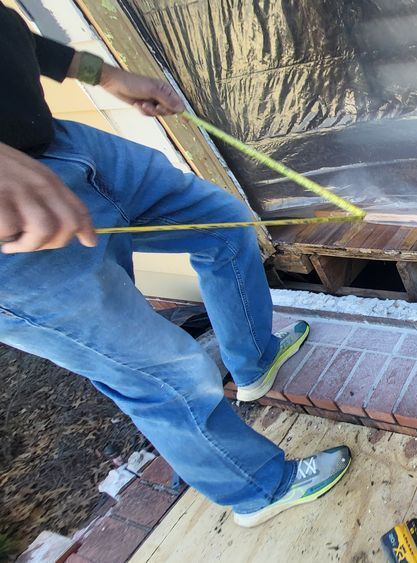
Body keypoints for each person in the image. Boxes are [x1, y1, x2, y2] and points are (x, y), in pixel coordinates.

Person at [0, 6, 350, 528]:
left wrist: (110, 76)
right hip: (13, 227)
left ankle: (254, 361)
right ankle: (260, 488)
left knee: (224, 225)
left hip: (65, 146)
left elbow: (17, 39)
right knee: (166, 375)